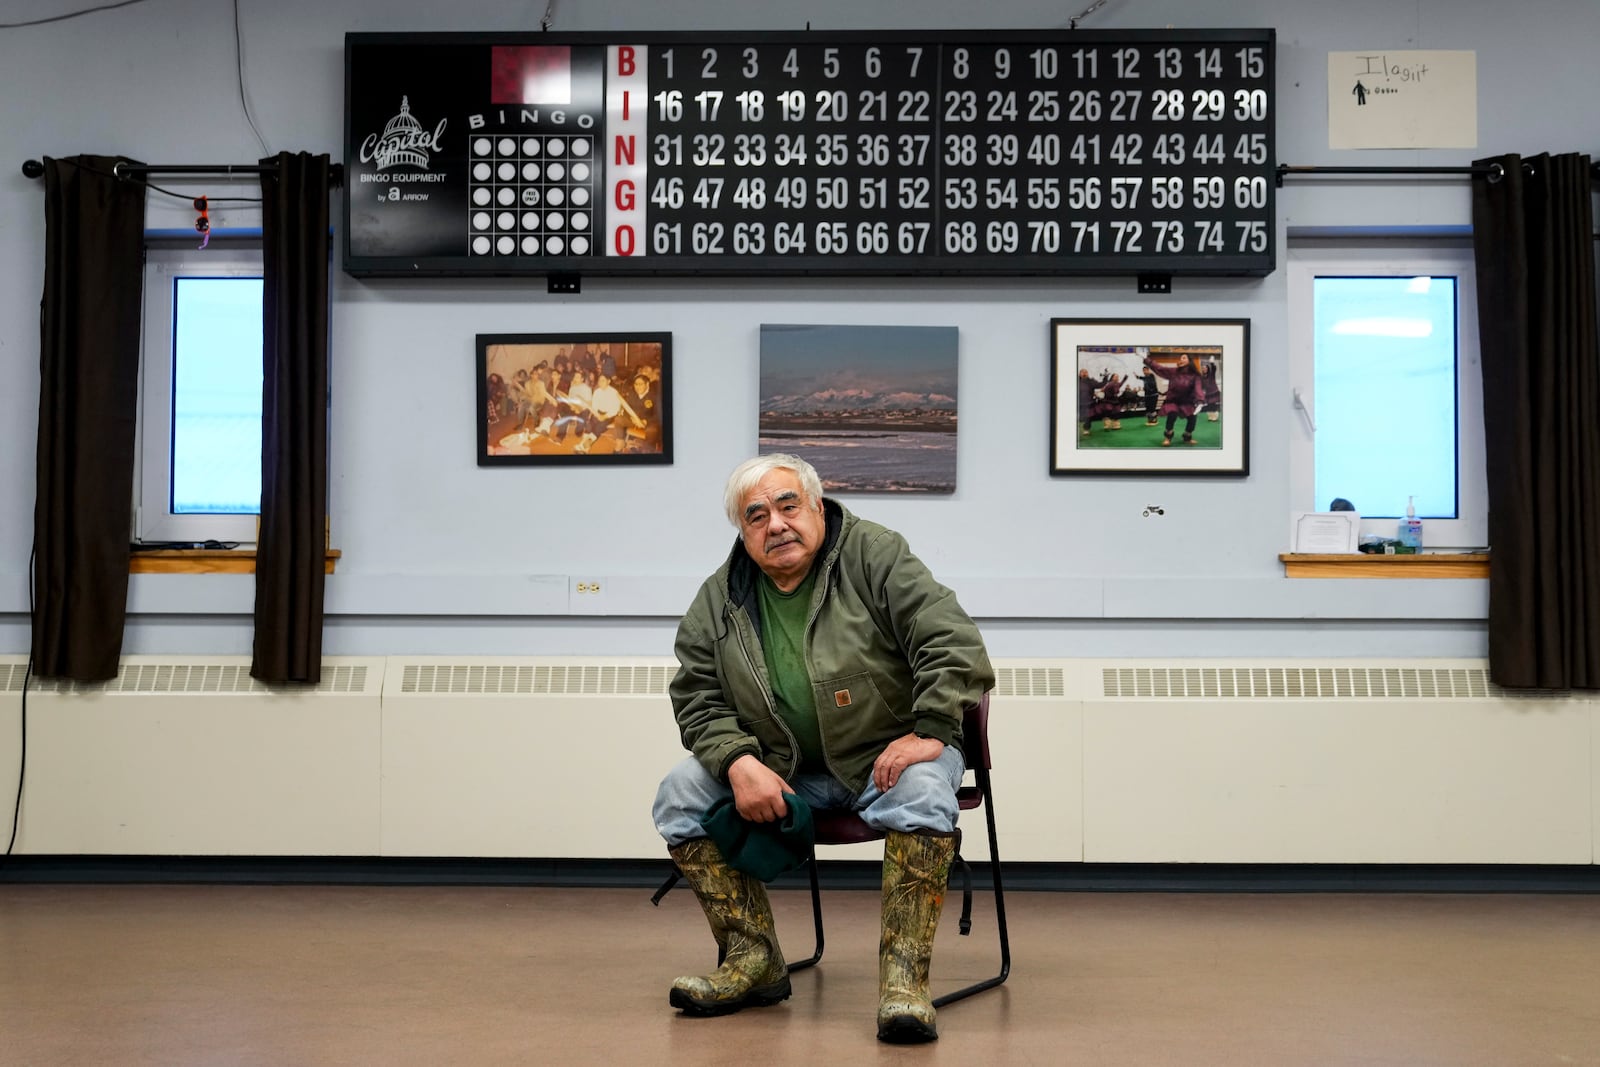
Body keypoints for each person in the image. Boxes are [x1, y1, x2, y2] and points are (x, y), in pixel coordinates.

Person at [653, 453, 994, 1044]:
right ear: (742, 531)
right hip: (787, 771)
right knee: (679, 794)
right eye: (755, 516)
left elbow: (951, 639)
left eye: (788, 505)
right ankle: (753, 959)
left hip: (889, 758)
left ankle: (904, 982)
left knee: (920, 793)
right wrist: (739, 762)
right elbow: (697, 695)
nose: (776, 524)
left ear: (817, 505)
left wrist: (931, 728)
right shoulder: (720, 598)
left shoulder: (874, 554)